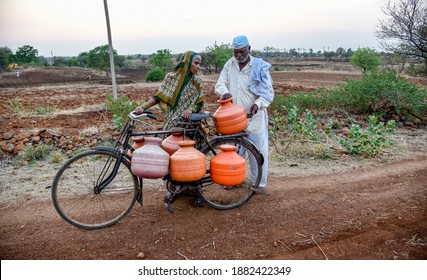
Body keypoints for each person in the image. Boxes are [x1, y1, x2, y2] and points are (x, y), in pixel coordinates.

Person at [135, 50, 205, 206]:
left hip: (189, 126)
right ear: (187, 62)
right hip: (171, 123)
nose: (199, 67)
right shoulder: (170, 78)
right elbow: (159, 96)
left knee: (191, 159)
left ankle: (197, 192)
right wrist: (143, 107)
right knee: (169, 157)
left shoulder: (197, 82)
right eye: (196, 63)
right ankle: (175, 189)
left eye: (200, 63)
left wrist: (191, 109)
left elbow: (200, 102)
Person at [215, 35, 274, 195]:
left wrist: (258, 104)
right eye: (236, 52)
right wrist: (225, 93)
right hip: (233, 117)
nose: (239, 55)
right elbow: (220, 83)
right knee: (232, 150)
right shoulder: (230, 64)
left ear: (249, 49)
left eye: (242, 52)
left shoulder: (259, 66)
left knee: (257, 150)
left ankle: (258, 183)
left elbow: (268, 93)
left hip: (254, 116)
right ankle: (232, 180)